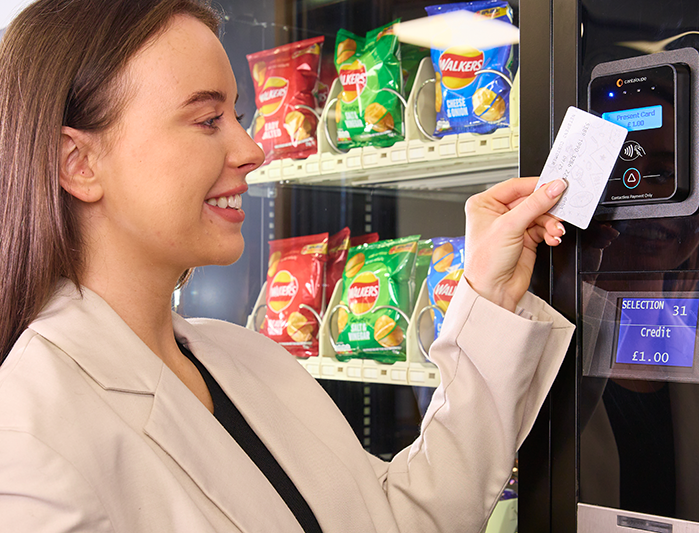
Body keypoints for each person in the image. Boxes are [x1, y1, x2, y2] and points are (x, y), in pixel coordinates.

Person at [0, 1, 574, 531]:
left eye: (239, 115)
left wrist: (487, 293)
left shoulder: (248, 356)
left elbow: (397, 521)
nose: (252, 149)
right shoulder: (27, 435)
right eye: (207, 120)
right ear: (78, 164)